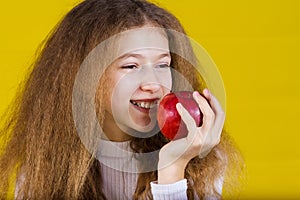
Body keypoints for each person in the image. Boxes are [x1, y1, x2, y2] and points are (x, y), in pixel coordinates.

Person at [0, 0, 244, 199]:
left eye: (163, 64)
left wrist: (172, 170)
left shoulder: (201, 156)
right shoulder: (43, 165)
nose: (153, 84)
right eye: (130, 65)